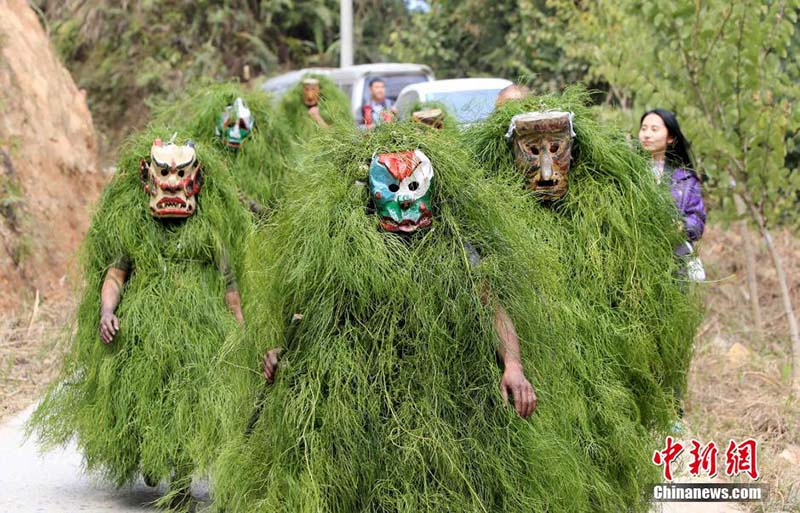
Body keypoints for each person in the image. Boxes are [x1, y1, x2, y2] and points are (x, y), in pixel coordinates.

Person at [639, 108, 707, 280]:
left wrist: (682, 226)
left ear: (670, 138)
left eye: (654, 129)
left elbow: (697, 220)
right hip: (637, 259)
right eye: (643, 128)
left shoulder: (685, 179)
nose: (647, 134)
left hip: (672, 264)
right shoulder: (629, 171)